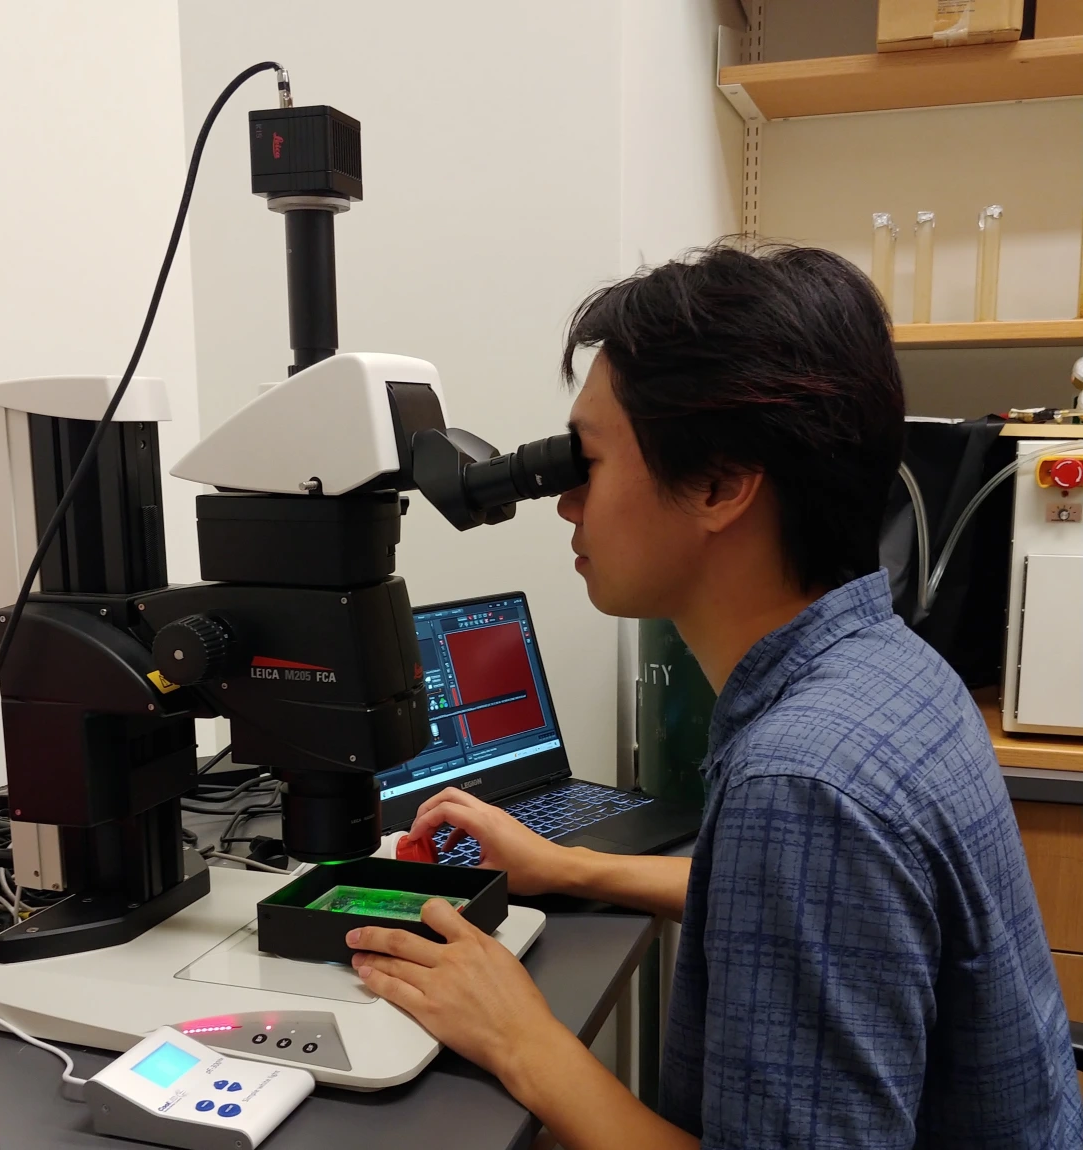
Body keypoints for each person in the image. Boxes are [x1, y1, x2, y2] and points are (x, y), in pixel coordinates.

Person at [346, 242, 1083, 1148]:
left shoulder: (804, 779)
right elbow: (803, 900)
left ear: (721, 485)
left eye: (590, 462)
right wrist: (568, 865)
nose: (565, 504)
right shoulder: (890, 669)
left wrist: (521, 1038)